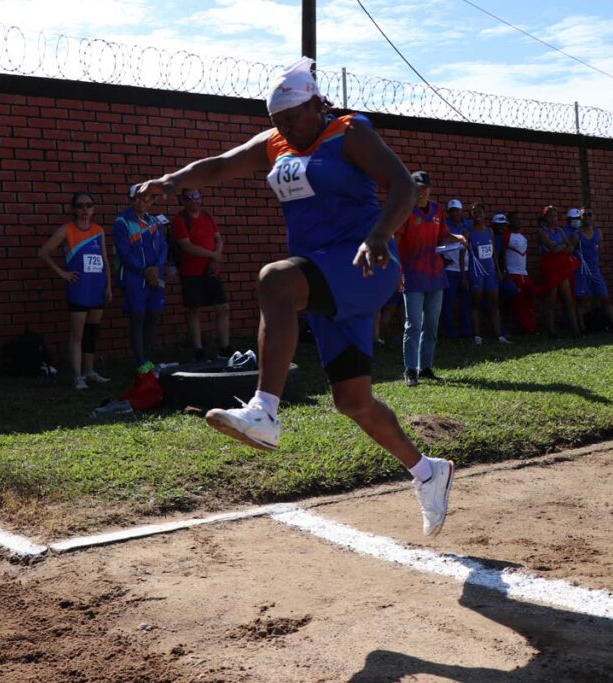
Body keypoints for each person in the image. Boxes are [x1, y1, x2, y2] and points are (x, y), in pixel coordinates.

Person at [135, 58, 454, 537]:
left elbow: (404, 185)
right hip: (322, 276)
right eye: (277, 120)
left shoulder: (350, 133)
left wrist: (381, 235)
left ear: (316, 104)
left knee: (274, 280)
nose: (285, 126)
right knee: (352, 400)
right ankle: (428, 471)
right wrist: (174, 181)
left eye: (293, 116)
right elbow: (220, 166)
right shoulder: (275, 144)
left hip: (364, 263)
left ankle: (264, 410)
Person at [395, 171, 466, 385]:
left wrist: (457, 237)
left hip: (435, 274)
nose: (421, 190)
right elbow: (396, 241)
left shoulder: (437, 210)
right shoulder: (405, 209)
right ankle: (410, 370)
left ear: (430, 188)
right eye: (417, 186)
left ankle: (425, 367)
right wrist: (397, 272)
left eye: (424, 186)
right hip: (413, 274)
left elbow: (443, 234)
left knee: (432, 324)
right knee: (413, 323)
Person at [39, 192, 112, 389]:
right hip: (79, 288)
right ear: (73, 209)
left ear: (93, 209)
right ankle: (77, 376)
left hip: (97, 287)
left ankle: (90, 371)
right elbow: (44, 252)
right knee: (77, 334)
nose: (85, 210)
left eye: (89, 205)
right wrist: (62, 273)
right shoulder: (66, 230)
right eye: (80, 206)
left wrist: (108, 286)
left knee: (91, 332)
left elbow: (104, 259)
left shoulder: (98, 230)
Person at [170, 188, 232, 360]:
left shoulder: (206, 216)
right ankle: (198, 349)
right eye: (189, 198)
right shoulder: (180, 219)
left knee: (223, 307)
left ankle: (224, 347)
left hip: (212, 270)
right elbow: (186, 246)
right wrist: (212, 255)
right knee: (194, 309)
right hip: (191, 271)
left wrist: (216, 256)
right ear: (183, 201)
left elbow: (218, 238)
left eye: (196, 196)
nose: (194, 201)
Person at [113, 184, 167, 374]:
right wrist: (145, 270)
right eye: (138, 198)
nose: (143, 202)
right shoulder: (122, 222)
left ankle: (148, 360)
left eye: (147, 198)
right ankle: (140, 362)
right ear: (131, 200)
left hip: (155, 277)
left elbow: (163, 247)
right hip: (135, 278)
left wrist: (157, 268)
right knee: (137, 317)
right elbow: (124, 252)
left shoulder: (155, 222)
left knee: (152, 316)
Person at [465, 205, 510, 346]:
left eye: (480, 212)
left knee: (494, 303)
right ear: (471, 215)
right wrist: (463, 274)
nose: (477, 215)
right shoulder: (468, 233)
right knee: (476, 303)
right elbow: (462, 254)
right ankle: (477, 336)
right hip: (476, 271)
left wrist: (498, 270)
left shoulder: (490, 231)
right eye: (474, 212)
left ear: (484, 214)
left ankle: (499, 335)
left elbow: (493, 253)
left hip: (490, 270)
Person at [572, 207, 613, 332]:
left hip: (595, 271)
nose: (587, 217)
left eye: (589, 214)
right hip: (582, 272)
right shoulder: (576, 235)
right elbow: (570, 252)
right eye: (584, 215)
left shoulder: (599, 233)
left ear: (593, 217)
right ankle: (581, 329)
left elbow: (597, 249)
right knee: (582, 301)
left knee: (605, 298)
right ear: (580, 218)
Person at [537, 205, 580, 337]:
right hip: (550, 266)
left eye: (555, 215)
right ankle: (551, 331)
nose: (553, 218)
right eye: (550, 215)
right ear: (545, 217)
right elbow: (552, 248)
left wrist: (559, 247)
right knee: (550, 301)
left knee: (569, 300)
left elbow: (570, 247)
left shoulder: (559, 230)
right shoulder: (541, 232)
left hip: (562, 266)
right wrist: (561, 247)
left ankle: (576, 330)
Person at [500, 213, 537, 334]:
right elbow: (501, 255)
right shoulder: (506, 236)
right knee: (519, 302)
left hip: (524, 273)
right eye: (516, 219)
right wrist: (505, 272)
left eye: (520, 219)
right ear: (509, 222)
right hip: (513, 273)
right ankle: (528, 328)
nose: (519, 221)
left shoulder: (522, 237)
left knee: (531, 296)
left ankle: (530, 323)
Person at [441, 199, 472, 338]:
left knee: (466, 303)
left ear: (461, 211)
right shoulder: (444, 225)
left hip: (466, 270)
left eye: (456, 210)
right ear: (448, 212)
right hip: (449, 271)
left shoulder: (468, 225)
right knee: (448, 303)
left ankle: (466, 331)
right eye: (451, 211)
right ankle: (450, 332)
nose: (454, 214)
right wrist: (441, 258)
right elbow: (437, 242)